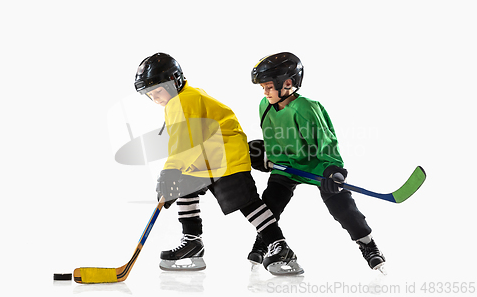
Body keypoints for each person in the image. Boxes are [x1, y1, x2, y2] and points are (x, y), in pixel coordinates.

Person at [133, 52, 304, 276]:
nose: (156, 98)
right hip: (205, 158)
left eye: (158, 91)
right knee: (184, 188)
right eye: (150, 94)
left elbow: (184, 142)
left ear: (174, 81)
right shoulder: (179, 100)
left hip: (225, 155)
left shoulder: (184, 100)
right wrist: (175, 176)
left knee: (247, 203)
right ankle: (192, 242)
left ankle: (280, 245)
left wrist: (170, 172)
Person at [247, 52, 386, 272]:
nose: (265, 92)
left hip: (316, 165)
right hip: (287, 166)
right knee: (270, 202)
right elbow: (274, 138)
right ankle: (267, 241)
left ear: (288, 83)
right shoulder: (265, 105)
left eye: (268, 87)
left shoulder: (307, 108)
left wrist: (333, 169)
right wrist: (266, 157)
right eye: (262, 87)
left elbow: (326, 140)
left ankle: (368, 245)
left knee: (341, 206)